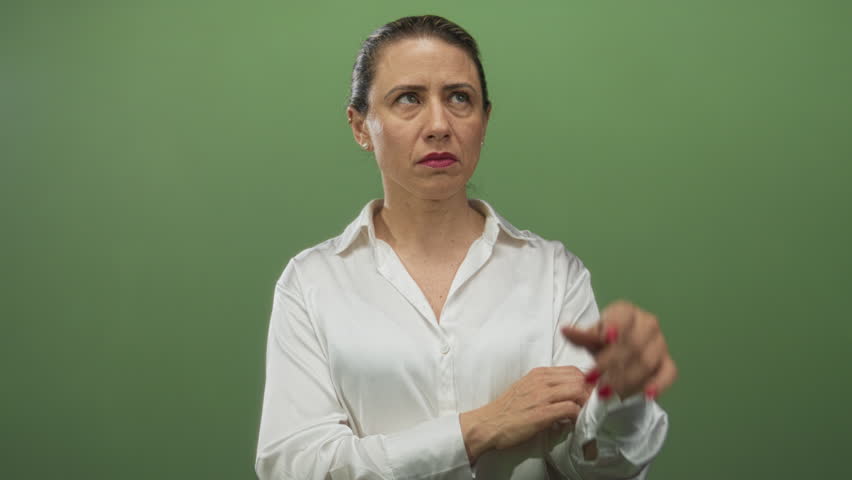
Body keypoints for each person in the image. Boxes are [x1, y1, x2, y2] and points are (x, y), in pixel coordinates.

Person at [255, 15, 677, 480]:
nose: (439, 125)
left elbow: (595, 468)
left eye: (459, 98)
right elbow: (296, 469)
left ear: (484, 121)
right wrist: (478, 428)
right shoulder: (311, 283)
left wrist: (622, 400)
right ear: (360, 126)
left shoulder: (553, 273)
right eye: (408, 99)